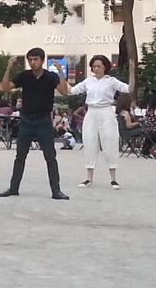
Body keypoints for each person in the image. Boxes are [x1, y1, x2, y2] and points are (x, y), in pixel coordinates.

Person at [0, 49, 70, 200]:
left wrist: (61, 72)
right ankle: (13, 188)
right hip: (27, 120)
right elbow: (5, 87)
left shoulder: (50, 77)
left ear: (42, 60)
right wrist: (9, 68)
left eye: (36, 59)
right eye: (30, 59)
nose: (32, 62)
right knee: (20, 156)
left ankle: (56, 190)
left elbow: (63, 91)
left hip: (44, 120)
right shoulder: (25, 76)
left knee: (50, 156)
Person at [56, 55, 134, 189]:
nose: (96, 68)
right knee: (89, 142)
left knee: (110, 142)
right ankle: (89, 178)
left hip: (106, 111)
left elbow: (129, 89)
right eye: (94, 66)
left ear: (105, 67)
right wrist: (61, 73)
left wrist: (132, 72)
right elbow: (71, 90)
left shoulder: (111, 81)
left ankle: (113, 179)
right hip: (91, 112)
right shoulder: (88, 81)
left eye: (98, 66)